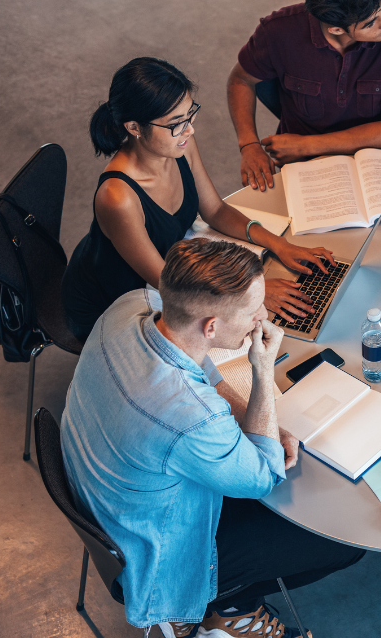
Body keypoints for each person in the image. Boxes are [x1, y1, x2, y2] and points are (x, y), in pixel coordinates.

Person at [61, 239, 364, 637]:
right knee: (344, 539)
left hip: (107, 504)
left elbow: (202, 369)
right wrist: (261, 370)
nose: (264, 315)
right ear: (212, 327)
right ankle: (224, 608)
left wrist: (247, 420)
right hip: (156, 556)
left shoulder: (129, 306)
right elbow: (263, 475)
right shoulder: (191, 416)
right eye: (254, 309)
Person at [62, 57, 332, 343]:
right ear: (134, 128)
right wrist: (253, 292)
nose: (190, 129)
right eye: (176, 123)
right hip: (116, 301)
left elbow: (215, 210)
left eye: (190, 115)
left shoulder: (180, 145)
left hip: (172, 269)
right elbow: (168, 283)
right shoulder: (117, 198)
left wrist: (279, 244)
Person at [228, 0, 381, 191]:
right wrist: (249, 145)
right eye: (371, 23)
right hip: (304, 167)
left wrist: (306, 146)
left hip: (375, 161)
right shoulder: (277, 33)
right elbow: (241, 80)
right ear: (335, 29)